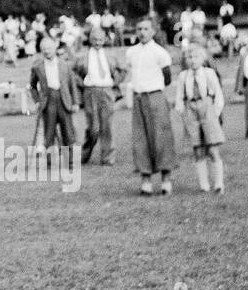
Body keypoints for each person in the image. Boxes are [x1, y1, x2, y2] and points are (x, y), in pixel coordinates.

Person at [125, 17, 178, 195]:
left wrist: (154, 88)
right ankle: (146, 180)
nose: (142, 32)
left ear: (153, 31)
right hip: (139, 98)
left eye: (146, 29)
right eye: (139, 29)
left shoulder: (160, 52)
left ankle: (166, 180)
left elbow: (167, 77)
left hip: (155, 96)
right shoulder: (131, 52)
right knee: (141, 139)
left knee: (161, 137)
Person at [174, 41, 225, 193]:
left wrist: (214, 113)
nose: (192, 60)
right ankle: (203, 185)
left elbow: (218, 96)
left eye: (196, 57)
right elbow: (179, 98)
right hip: (191, 110)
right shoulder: (184, 76)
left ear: (202, 58)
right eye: (189, 57)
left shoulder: (209, 73)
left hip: (207, 108)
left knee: (212, 149)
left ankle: (218, 183)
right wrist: (183, 112)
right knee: (198, 150)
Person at [74, 25, 123, 166]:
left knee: (107, 126)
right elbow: (73, 73)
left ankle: (107, 157)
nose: (97, 42)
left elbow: (123, 70)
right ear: (90, 39)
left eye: (100, 39)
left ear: (105, 40)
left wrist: (115, 81)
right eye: (95, 39)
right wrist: (81, 83)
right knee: (93, 127)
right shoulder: (83, 56)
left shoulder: (110, 55)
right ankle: (85, 154)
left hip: (107, 90)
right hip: (90, 91)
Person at [28, 37, 78, 168]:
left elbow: (72, 84)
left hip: (63, 100)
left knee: (67, 131)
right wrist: (37, 100)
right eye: (43, 49)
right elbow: (32, 86)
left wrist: (75, 102)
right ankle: (49, 162)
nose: (46, 51)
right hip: (48, 100)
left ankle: (70, 161)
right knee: (48, 132)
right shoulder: (37, 66)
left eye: (49, 48)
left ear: (55, 48)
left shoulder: (64, 64)